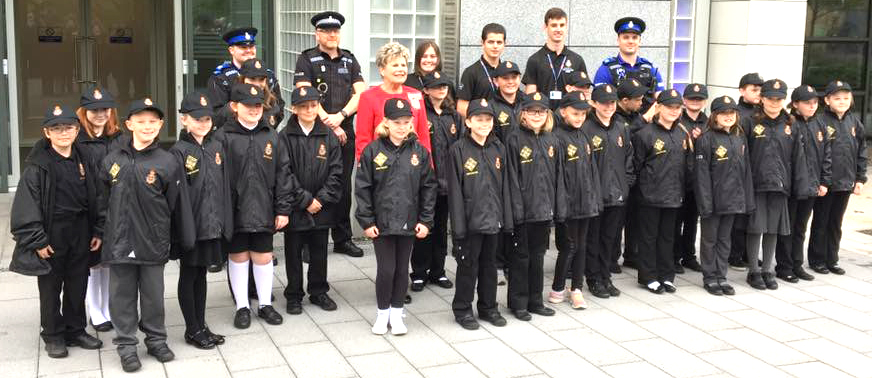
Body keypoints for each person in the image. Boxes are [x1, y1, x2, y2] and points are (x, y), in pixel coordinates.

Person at [100, 98, 195, 372]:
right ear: (128, 124)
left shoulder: (167, 162)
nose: (147, 126)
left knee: (153, 295)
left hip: (153, 241)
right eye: (140, 121)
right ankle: (127, 346)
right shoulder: (112, 160)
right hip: (119, 242)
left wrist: (176, 240)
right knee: (122, 296)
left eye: (153, 121)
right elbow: (101, 202)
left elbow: (175, 204)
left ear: (161, 125)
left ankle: (156, 339)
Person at [9, 105, 104, 359]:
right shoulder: (37, 166)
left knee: (78, 283)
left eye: (69, 127)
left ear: (77, 130)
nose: (64, 133)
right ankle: (52, 334)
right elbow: (26, 206)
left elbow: (98, 197)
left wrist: (98, 230)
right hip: (52, 233)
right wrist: (37, 240)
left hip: (81, 230)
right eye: (56, 128)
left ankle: (75, 330)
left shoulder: (85, 158)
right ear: (46, 132)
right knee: (51, 287)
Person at [356, 98, 437, 335]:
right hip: (381, 223)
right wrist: (367, 220)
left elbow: (428, 188)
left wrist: (425, 220)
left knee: (402, 269)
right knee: (387, 269)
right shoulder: (373, 150)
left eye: (406, 122)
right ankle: (382, 315)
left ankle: (397, 313)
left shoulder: (419, 152)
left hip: (409, 222)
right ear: (386, 123)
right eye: (396, 122)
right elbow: (362, 188)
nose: (402, 127)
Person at [218, 83, 293, 328]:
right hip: (234, 209)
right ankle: (242, 306)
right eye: (248, 106)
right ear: (234, 107)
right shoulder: (222, 136)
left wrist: (283, 209)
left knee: (263, 256)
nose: (254, 110)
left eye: (258, 105)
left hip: (264, 207)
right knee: (238, 255)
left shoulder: (271, 135)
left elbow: (283, 173)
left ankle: (264, 304)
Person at [294, 11, 368, 257]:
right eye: (326, 31)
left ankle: (342, 238)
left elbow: (361, 93)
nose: (332, 34)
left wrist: (342, 117)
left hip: (344, 130)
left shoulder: (349, 59)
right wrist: (330, 122)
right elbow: (305, 94)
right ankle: (308, 241)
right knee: (313, 182)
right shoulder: (307, 59)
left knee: (341, 186)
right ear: (318, 33)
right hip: (316, 132)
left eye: (335, 30)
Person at [170, 91, 230, 350]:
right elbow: (178, 196)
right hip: (191, 227)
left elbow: (224, 186)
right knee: (189, 274)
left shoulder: (216, 146)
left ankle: (201, 324)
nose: (203, 123)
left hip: (211, 225)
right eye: (197, 119)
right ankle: (192, 328)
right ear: (185, 120)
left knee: (202, 275)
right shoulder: (178, 151)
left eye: (207, 119)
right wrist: (185, 229)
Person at [449, 98, 513, 330]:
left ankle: (488, 307)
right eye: (479, 119)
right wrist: (459, 228)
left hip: (493, 219)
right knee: (468, 266)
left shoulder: (499, 148)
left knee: (489, 267)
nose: (484, 124)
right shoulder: (458, 150)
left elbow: (506, 186)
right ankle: (463, 309)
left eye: (488, 119)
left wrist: (506, 219)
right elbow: (455, 191)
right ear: (468, 122)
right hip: (470, 221)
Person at [280, 86, 343, 314]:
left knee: (319, 251)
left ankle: (318, 291)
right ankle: (294, 294)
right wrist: (305, 199)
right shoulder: (285, 136)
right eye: (304, 106)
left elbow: (337, 171)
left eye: (313, 105)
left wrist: (321, 199)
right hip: (297, 206)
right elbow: (284, 173)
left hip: (322, 206)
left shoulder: (328, 135)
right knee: (293, 251)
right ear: (294, 108)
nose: (309, 110)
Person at [505, 92, 565, 320]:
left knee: (538, 256)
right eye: (532, 112)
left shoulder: (552, 140)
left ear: (547, 114)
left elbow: (559, 177)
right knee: (521, 258)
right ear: (523, 114)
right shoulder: (514, 139)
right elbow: (511, 178)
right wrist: (516, 211)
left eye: (541, 111)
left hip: (544, 210)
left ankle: (535, 300)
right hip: (523, 211)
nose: (537, 115)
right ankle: (518, 303)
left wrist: (557, 209)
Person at [631, 89, 691, 294]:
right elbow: (636, 167)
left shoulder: (682, 133)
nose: (674, 111)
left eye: (677, 108)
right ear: (658, 108)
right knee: (648, 238)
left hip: (674, 195)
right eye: (669, 107)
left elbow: (686, 165)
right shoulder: (644, 134)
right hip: (650, 196)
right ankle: (648, 276)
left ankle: (667, 275)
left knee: (668, 237)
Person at [694, 95, 754, 296]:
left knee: (724, 239)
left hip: (733, 200)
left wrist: (746, 199)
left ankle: (721, 275)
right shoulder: (706, 138)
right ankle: (710, 277)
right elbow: (701, 176)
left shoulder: (739, 137)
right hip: (713, 201)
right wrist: (705, 204)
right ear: (715, 116)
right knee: (710, 240)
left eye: (732, 113)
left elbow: (745, 172)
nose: (728, 117)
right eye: (723, 113)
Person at [744, 79, 799, 291]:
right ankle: (753, 271)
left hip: (780, 184)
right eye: (770, 98)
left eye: (779, 99)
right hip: (757, 183)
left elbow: (797, 157)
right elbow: (743, 155)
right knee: (756, 227)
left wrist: (795, 185)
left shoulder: (790, 124)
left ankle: (767, 269)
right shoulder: (750, 121)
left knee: (773, 229)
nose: (775, 103)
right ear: (762, 99)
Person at [808, 80, 867, 275]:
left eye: (846, 98)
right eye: (837, 98)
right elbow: (817, 155)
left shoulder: (854, 123)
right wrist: (821, 180)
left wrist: (859, 178)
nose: (842, 101)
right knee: (821, 221)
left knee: (836, 223)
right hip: (826, 183)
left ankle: (832, 259)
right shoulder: (820, 121)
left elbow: (861, 152)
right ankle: (817, 259)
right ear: (827, 100)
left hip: (845, 182)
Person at [76, 86, 121, 333]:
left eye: (104, 108)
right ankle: (95, 310)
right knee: (93, 262)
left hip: (114, 207)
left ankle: (108, 307)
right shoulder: (78, 139)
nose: (100, 114)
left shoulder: (119, 137)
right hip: (89, 208)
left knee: (109, 261)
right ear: (84, 112)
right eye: (94, 110)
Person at [410, 72, 461, 292]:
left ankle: (438, 272)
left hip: (447, 183)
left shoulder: (454, 116)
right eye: (436, 86)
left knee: (441, 229)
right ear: (426, 90)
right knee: (423, 228)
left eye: (445, 86)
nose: (441, 90)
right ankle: (419, 273)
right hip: (426, 183)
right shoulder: (421, 114)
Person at [549, 91, 601, 309]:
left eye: (583, 114)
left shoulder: (584, 136)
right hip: (567, 204)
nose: (579, 118)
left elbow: (592, 171)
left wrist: (594, 199)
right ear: (563, 112)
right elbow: (557, 176)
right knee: (568, 246)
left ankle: (577, 288)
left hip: (585, 202)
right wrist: (560, 205)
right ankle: (558, 287)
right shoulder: (557, 137)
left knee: (582, 246)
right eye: (575, 113)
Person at [583, 84, 634, 299]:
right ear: (593, 103)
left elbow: (629, 159)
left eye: (612, 102)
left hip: (617, 195)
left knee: (609, 240)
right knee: (593, 240)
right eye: (603, 102)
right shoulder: (585, 129)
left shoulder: (621, 127)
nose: (608, 106)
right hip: (594, 197)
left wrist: (626, 183)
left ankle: (606, 276)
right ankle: (593, 278)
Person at [775, 85, 829, 282]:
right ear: (795, 104)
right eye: (808, 103)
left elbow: (826, 155)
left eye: (815, 103)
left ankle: (797, 264)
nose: (812, 106)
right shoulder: (788, 124)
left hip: (811, 186)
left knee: (800, 228)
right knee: (787, 228)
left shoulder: (819, 125)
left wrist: (824, 181)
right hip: (791, 187)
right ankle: (784, 266)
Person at [355, 42, 432, 160]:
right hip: (381, 165)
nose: (401, 69)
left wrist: (428, 166)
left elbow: (423, 136)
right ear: (382, 70)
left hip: (412, 164)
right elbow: (363, 140)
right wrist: (365, 167)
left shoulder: (416, 95)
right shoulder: (368, 97)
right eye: (395, 65)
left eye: (403, 65)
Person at [594, 17, 664, 120]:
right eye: (626, 37)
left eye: (634, 37)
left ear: (640, 41)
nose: (630, 41)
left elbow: (662, 100)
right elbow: (599, 100)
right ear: (618, 40)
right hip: (615, 125)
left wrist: (645, 118)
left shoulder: (650, 69)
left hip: (646, 125)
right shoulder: (606, 69)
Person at [729, 72, 764, 271]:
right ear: (742, 90)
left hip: (758, 171)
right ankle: (735, 254)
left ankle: (748, 253)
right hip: (741, 170)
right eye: (754, 89)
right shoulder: (737, 113)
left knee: (753, 217)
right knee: (738, 218)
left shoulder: (763, 112)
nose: (758, 93)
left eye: (760, 90)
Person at [522, 7, 588, 110]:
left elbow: (584, 94)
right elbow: (531, 97)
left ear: (566, 27)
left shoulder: (577, 60)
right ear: (545, 27)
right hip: (543, 118)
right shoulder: (534, 60)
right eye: (554, 25)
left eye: (562, 25)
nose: (558, 29)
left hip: (568, 120)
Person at [674, 84, 708, 274]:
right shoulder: (677, 118)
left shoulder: (710, 121)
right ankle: (674, 257)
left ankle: (689, 256)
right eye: (692, 98)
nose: (695, 102)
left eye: (699, 99)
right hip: (679, 178)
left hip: (698, 179)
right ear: (684, 101)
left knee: (692, 220)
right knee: (676, 221)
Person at [615, 78, 648, 271]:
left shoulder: (636, 114)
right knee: (618, 219)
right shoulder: (617, 116)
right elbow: (627, 133)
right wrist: (644, 120)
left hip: (637, 171)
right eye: (637, 99)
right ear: (625, 100)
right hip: (620, 174)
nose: (641, 103)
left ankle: (631, 254)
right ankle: (612, 258)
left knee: (635, 218)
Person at [208, 27, 281, 109]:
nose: (249, 50)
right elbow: (218, 111)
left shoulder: (267, 74)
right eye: (243, 47)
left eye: (252, 46)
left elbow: (279, 107)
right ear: (231, 50)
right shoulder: (221, 78)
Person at [213, 58, 286, 129]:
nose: (257, 84)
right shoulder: (233, 98)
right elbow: (218, 120)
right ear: (242, 79)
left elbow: (277, 117)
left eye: (261, 79)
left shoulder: (271, 100)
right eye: (252, 79)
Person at [456, 23, 506, 118]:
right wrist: (481, 121)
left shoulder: (507, 72)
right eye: (490, 42)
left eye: (499, 42)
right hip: (481, 127)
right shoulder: (471, 72)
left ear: (505, 44)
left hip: (504, 127)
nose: (495, 46)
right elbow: (461, 107)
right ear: (482, 43)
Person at [490, 61, 525, 143]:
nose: (510, 82)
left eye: (514, 77)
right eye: (505, 78)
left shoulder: (528, 103)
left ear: (519, 79)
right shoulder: (490, 107)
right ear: (496, 81)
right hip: (502, 154)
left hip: (527, 154)